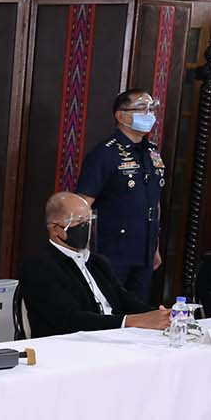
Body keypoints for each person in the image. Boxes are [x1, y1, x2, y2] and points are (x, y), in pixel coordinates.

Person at [19, 192, 171, 338]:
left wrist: (161, 315)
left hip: (112, 338)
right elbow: (68, 319)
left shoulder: (97, 262)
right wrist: (130, 321)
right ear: (55, 229)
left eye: (88, 221)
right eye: (79, 222)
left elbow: (125, 300)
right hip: (69, 346)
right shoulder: (38, 266)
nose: (86, 227)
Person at [75, 88, 167, 302]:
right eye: (141, 108)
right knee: (111, 308)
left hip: (144, 247)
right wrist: (82, 248)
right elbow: (82, 204)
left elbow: (155, 199)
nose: (149, 113)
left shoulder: (152, 152)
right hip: (113, 249)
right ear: (121, 116)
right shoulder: (104, 154)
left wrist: (155, 246)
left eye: (152, 108)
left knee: (139, 308)